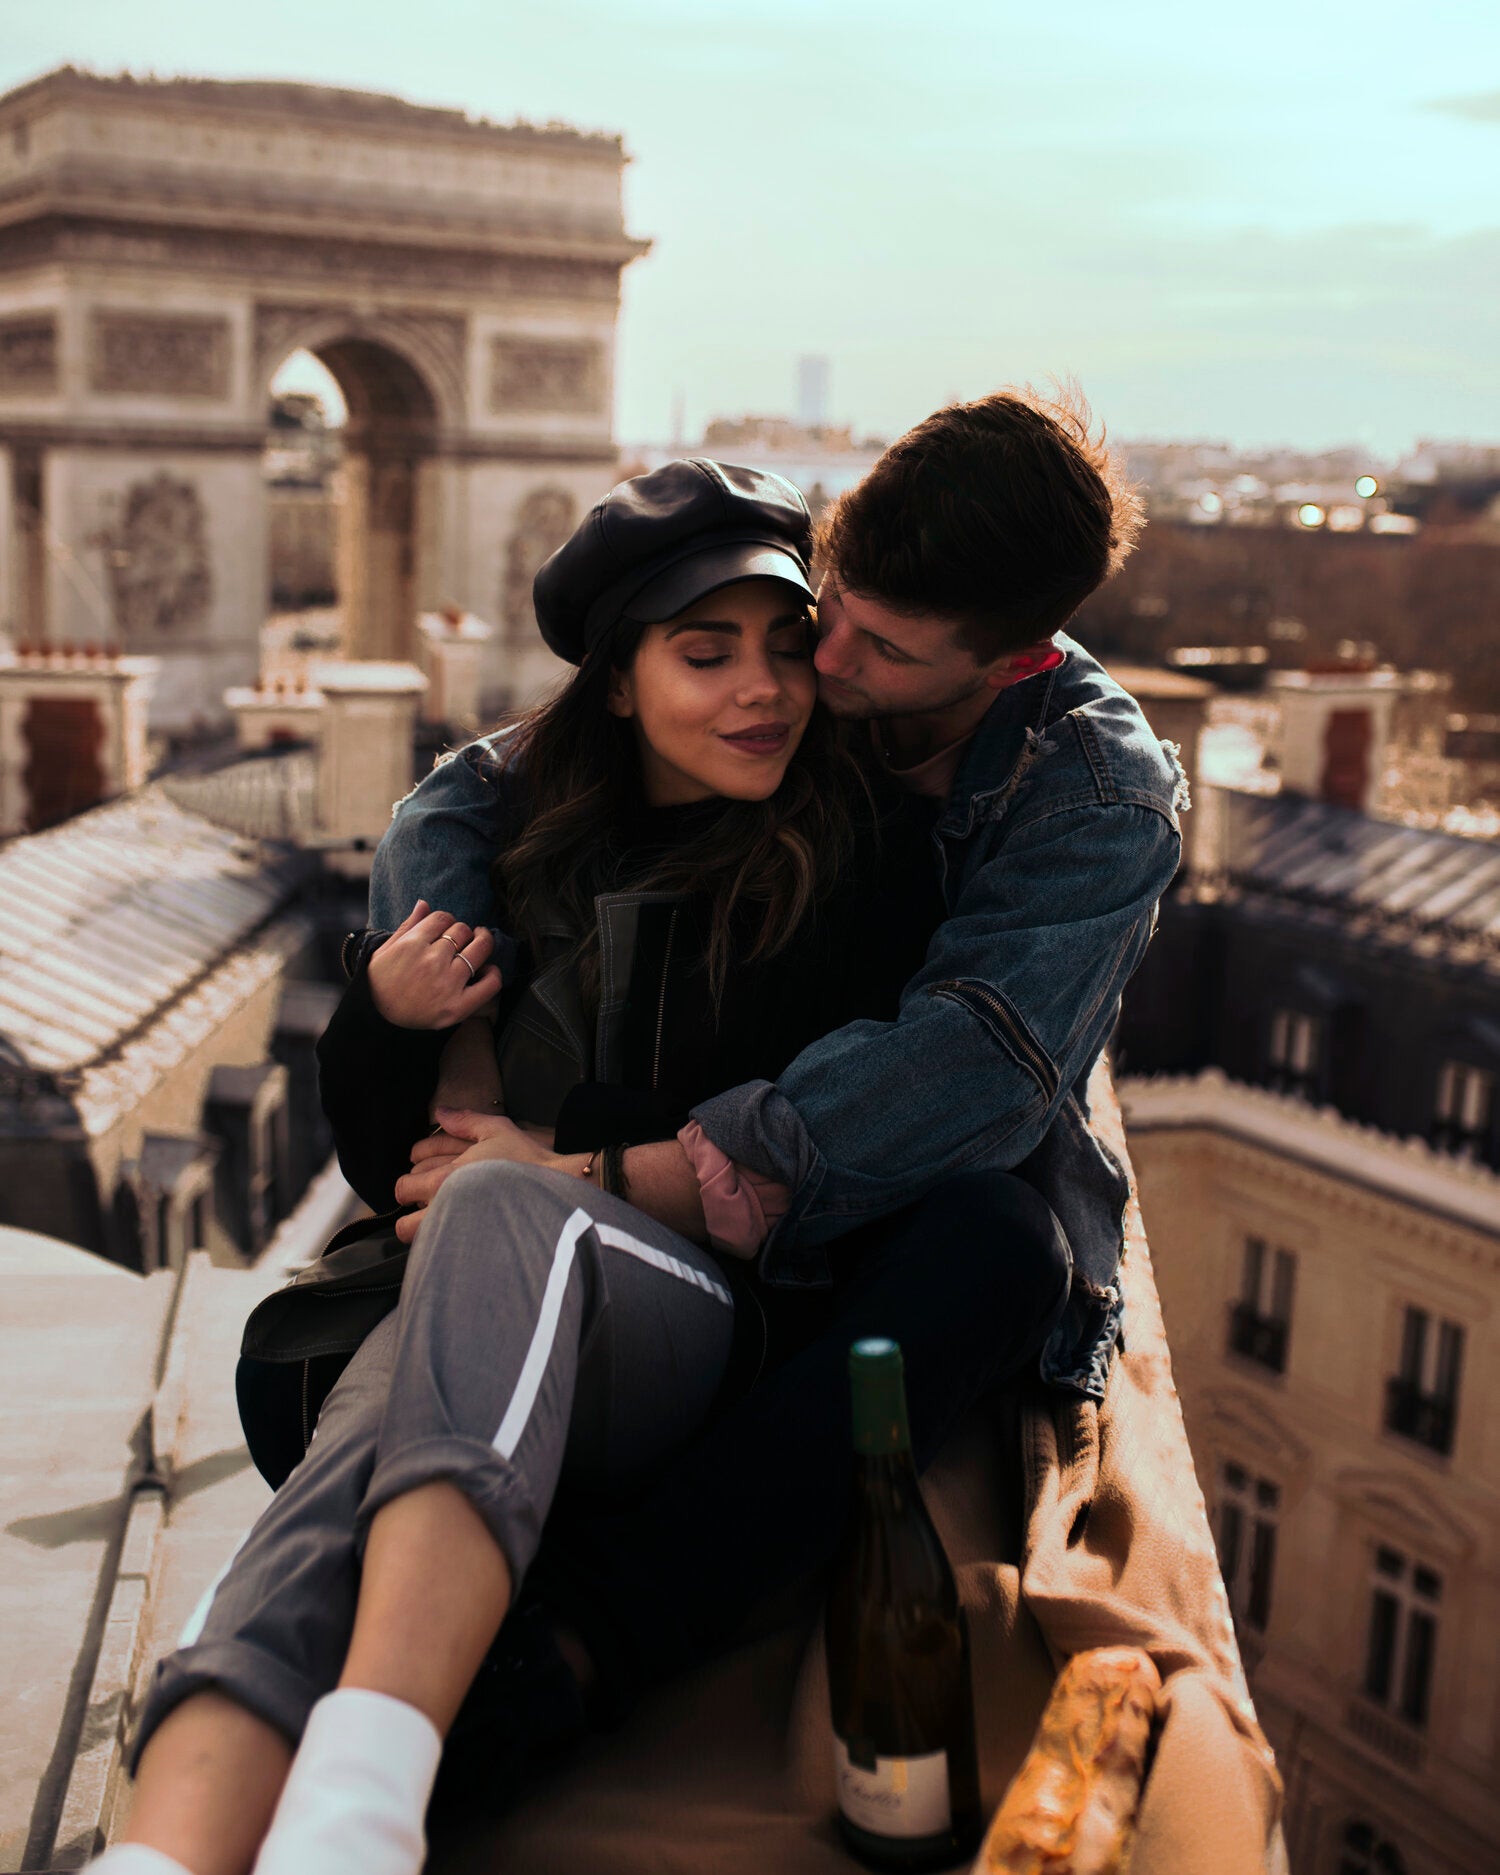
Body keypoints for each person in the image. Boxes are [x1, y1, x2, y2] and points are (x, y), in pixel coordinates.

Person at [93, 461, 1070, 1875]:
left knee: (508, 1202)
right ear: (616, 684)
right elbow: (401, 1170)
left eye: (790, 648)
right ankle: (176, 1851)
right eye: (704, 652)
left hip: (696, 1324)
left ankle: (364, 1789)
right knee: (351, 1468)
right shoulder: (517, 849)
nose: (766, 691)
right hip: (493, 1310)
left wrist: (571, 1150)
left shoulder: (867, 852)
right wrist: (387, 1017)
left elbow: (823, 1147)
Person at [347, 387, 1186, 1745]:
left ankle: (588, 1646)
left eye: (884, 651)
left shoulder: (1098, 794)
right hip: (675, 1170)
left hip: (866, 1196)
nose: (822, 672)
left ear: (1019, 665)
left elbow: (971, 1075)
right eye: (827, 609)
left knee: (1003, 1245)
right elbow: (470, 789)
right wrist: (461, 1038)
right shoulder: (792, 643)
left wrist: (588, 1171)